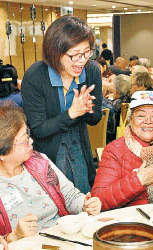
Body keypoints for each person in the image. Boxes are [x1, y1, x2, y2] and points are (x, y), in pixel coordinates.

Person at [0, 103, 102, 243]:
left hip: (63, 241)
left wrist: (85, 204)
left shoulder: (40, 162)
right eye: (24, 140)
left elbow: (70, 196)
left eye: (28, 134)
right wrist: (14, 236)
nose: (31, 141)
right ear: (1, 152)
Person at [21, 16, 102, 193]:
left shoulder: (91, 71)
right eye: (74, 55)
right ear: (55, 52)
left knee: (82, 199)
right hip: (47, 152)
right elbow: (38, 130)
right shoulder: (36, 76)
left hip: (79, 146)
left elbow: (95, 118)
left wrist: (85, 109)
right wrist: (72, 113)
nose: (82, 60)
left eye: (87, 52)